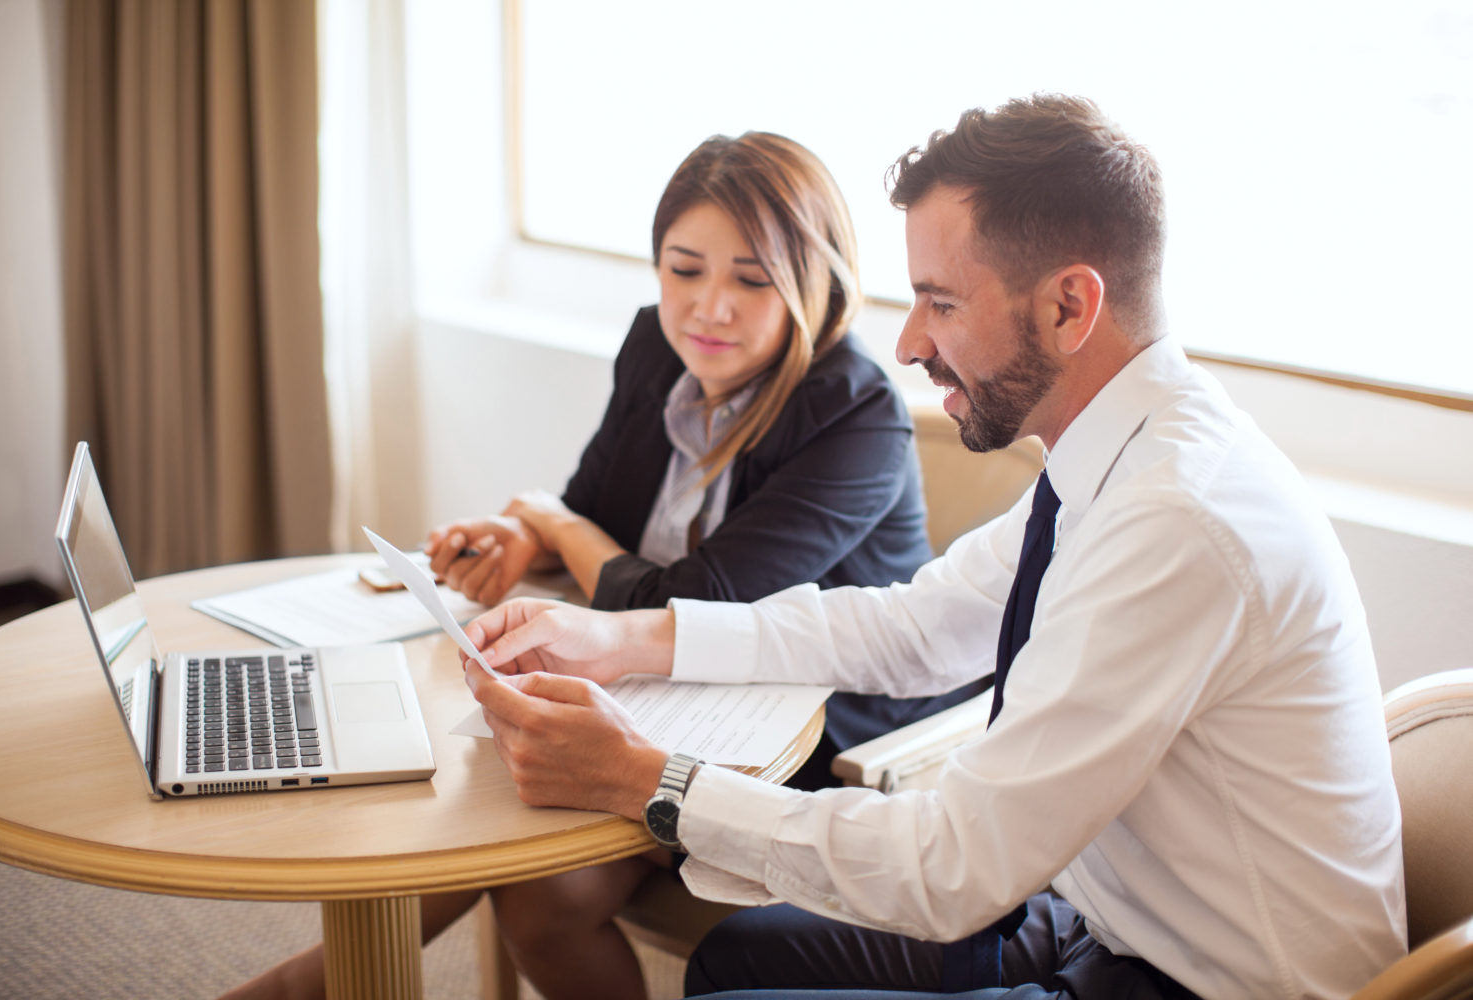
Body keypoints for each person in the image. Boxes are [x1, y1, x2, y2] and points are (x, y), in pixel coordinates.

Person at [461, 94, 1408, 999]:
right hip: (1107, 918)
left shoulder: (1178, 521)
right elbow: (912, 628)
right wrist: (631, 640)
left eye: (940, 303)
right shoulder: (1118, 456)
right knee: (734, 961)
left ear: (1070, 308)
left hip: (1203, 983)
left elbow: (955, 867)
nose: (908, 341)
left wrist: (644, 779)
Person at [220, 130, 973, 1000]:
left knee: (504, 832)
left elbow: (695, 599)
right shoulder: (657, 348)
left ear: (817, 280)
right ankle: (308, 986)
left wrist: (551, 519)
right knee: (517, 852)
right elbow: (595, 513)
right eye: (684, 269)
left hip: (803, 729)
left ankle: (295, 989)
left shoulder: (857, 413)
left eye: (752, 280)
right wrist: (534, 537)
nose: (708, 308)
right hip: (662, 684)